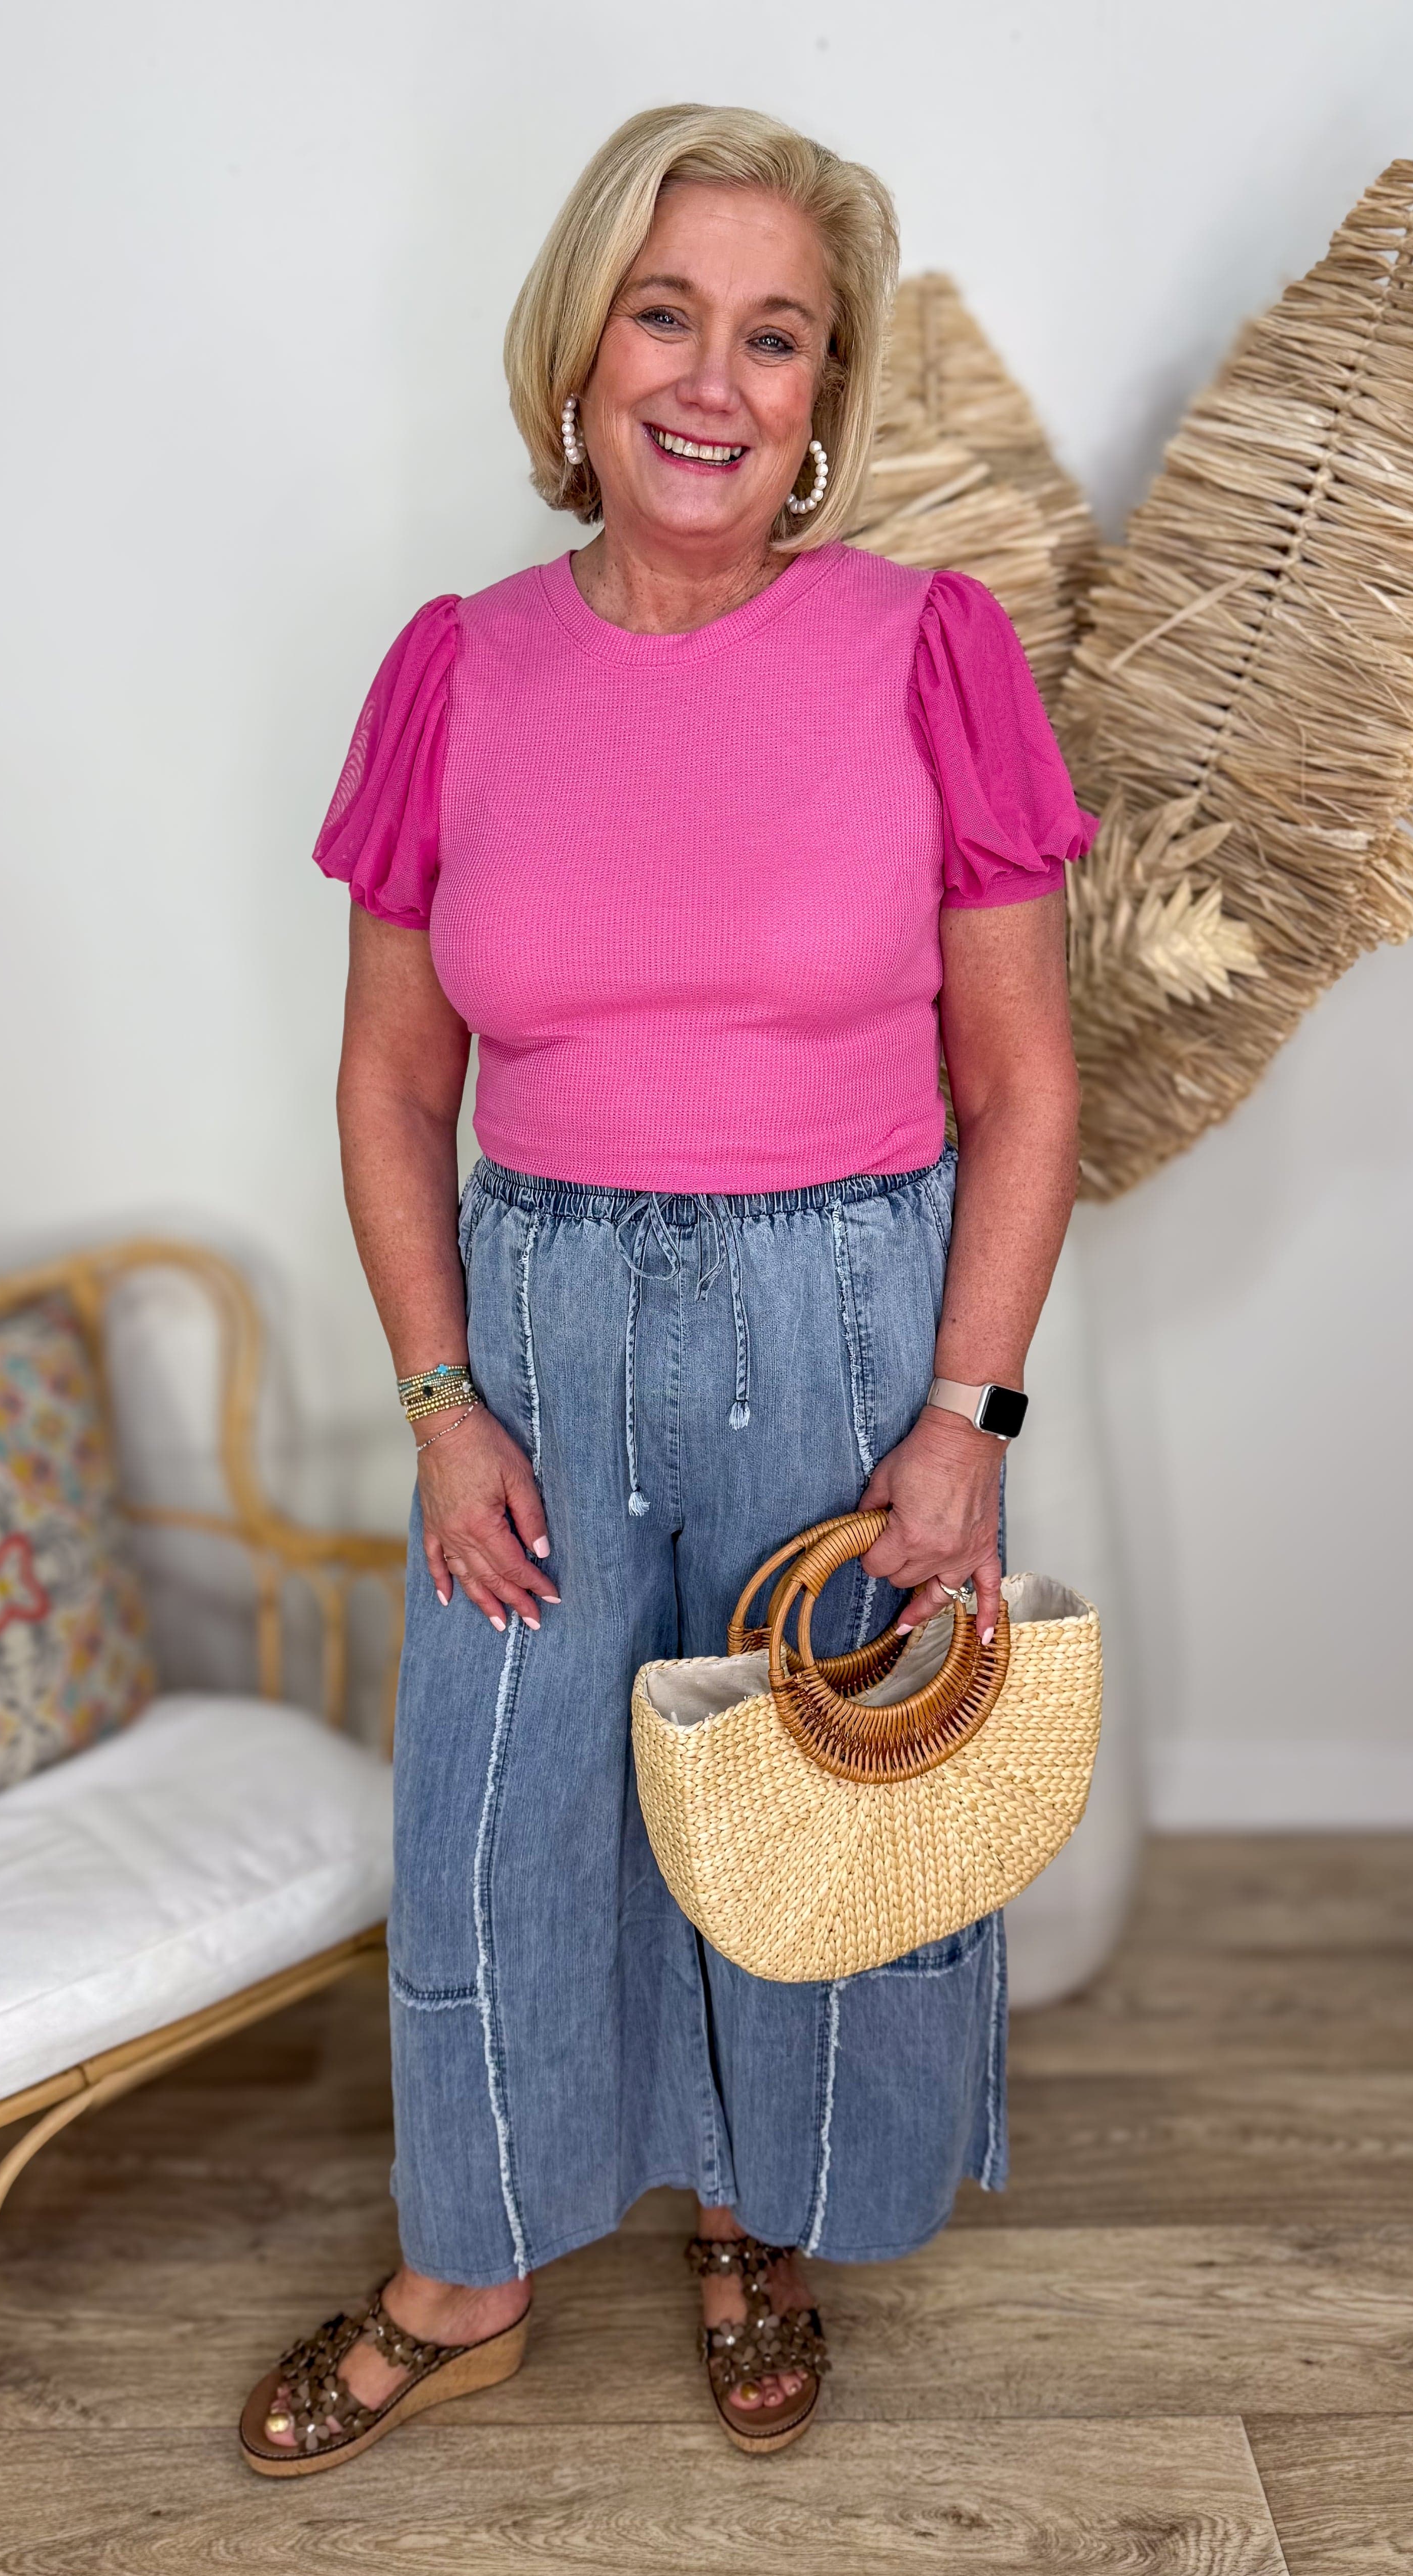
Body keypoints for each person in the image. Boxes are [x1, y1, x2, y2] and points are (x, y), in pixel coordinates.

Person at [240, 100, 1089, 2476]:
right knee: (503, 1810)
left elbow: (1025, 1083)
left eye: (774, 335)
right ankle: (469, 2266)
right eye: (665, 313)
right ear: (580, 348)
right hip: (537, 1331)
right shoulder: (456, 671)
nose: (712, 380)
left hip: (848, 1321)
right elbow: (391, 1082)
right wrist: (440, 1399)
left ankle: (757, 2215)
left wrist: (964, 1420)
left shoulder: (929, 654)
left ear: (823, 396)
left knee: (810, 1793)